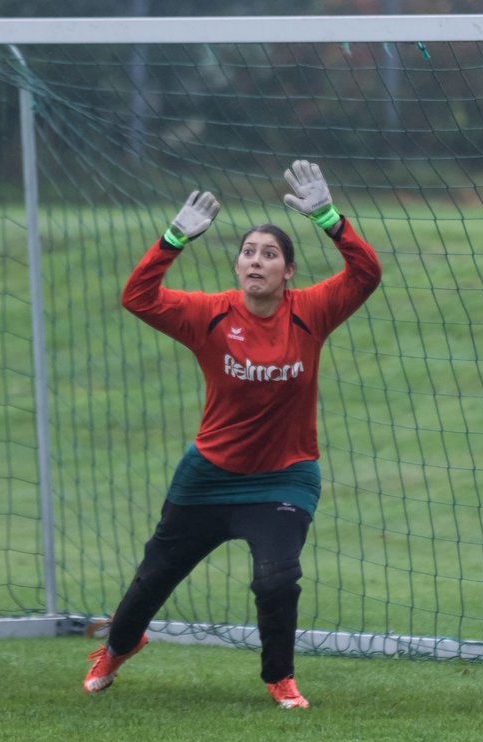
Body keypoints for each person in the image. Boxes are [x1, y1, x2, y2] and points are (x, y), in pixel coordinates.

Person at [83, 160, 382, 709]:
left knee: (277, 580)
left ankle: (280, 679)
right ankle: (119, 649)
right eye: (249, 252)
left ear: (288, 272)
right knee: (151, 581)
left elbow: (366, 275)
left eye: (270, 254)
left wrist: (329, 218)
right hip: (208, 478)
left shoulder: (311, 311)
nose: (256, 261)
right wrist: (173, 238)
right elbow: (138, 297)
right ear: (237, 264)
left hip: (284, 478)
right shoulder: (210, 314)